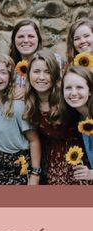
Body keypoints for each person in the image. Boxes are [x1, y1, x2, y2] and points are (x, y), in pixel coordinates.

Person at [24, 49, 91, 184]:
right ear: (29, 74)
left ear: (54, 74)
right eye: (36, 71)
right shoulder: (29, 103)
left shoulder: (67, 97)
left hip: (81, 161)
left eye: (47, 72)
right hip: (54, 164)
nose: (41, 77)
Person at [0, 52, 41, 185]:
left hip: (20, 166)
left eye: (3, 72)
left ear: (10, 77)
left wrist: (35, 174)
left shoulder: (17, 105)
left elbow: (34, 140)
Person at [63, 65, 93, 180]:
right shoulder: (81, 116)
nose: (73, 93)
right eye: (68, 88)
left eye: (79, 87)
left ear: (90, 91)